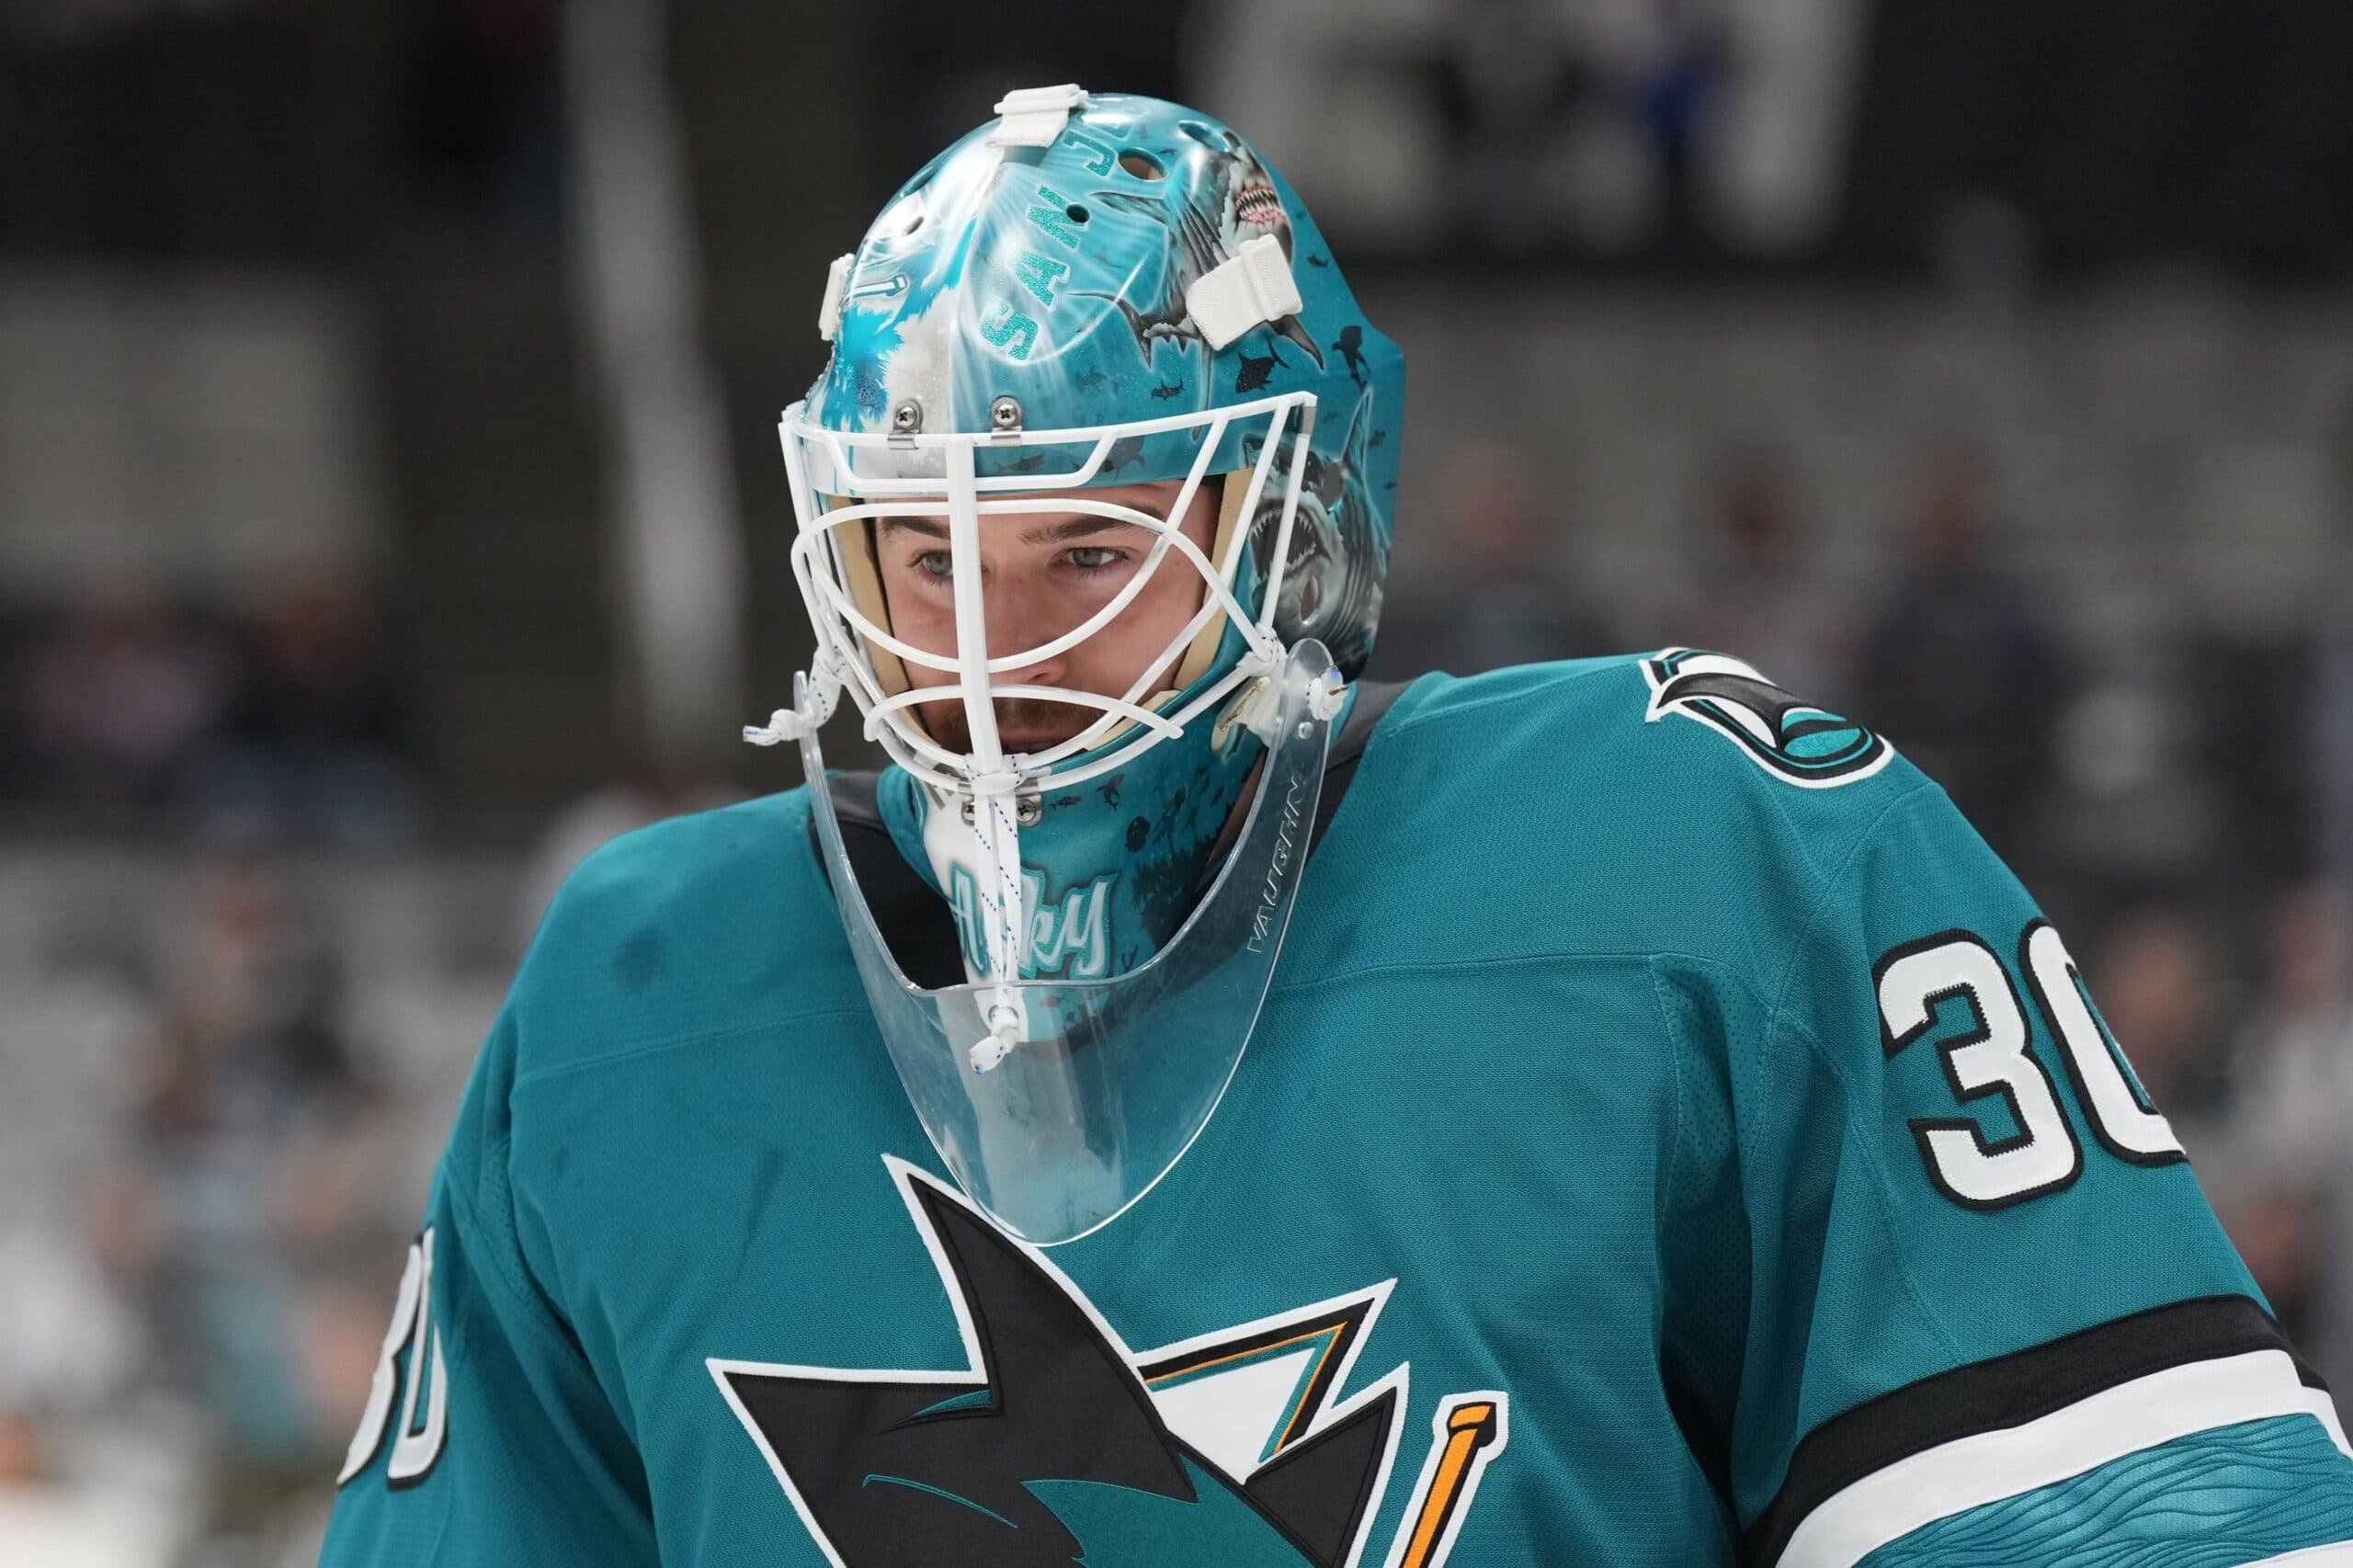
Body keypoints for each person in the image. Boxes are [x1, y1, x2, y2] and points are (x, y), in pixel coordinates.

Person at [320, 89, 2353, 1565]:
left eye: (1079, 556)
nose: (979, 662)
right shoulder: (631, 996)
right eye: (913, 564)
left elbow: (2140, 1527)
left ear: (1289, 533)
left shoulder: (1694, 860)